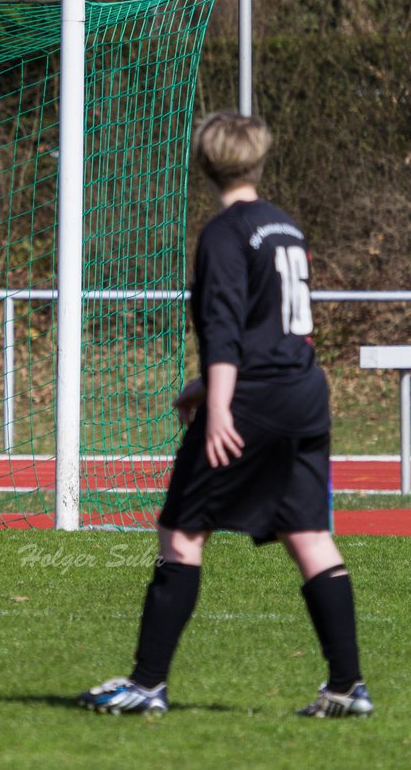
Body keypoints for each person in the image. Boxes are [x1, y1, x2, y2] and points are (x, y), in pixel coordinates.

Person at [78, 111, 372, 718]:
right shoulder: (284, 226)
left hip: (253, 400)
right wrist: (202, 385)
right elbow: (270, 326)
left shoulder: (224, 232)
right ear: (259, 159)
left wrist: (217, 408)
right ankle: (348, 687)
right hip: (304, 394)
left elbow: (223, 331)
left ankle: (147, 684)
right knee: (310, 535)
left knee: (183, 531)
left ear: (204, 162)